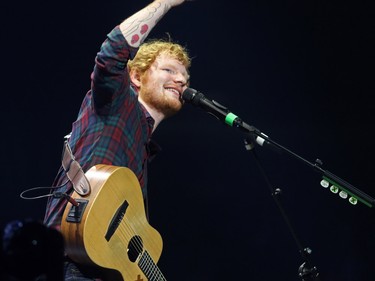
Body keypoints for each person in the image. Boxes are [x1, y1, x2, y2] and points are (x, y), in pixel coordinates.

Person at [42, 0, 191, 279]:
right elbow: (112, 52)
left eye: (185, 75)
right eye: (170, 70)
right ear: (135, 75)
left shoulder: (144, 149)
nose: (182, 80)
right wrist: (166, 3)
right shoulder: (118, 103)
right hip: (71, 263)